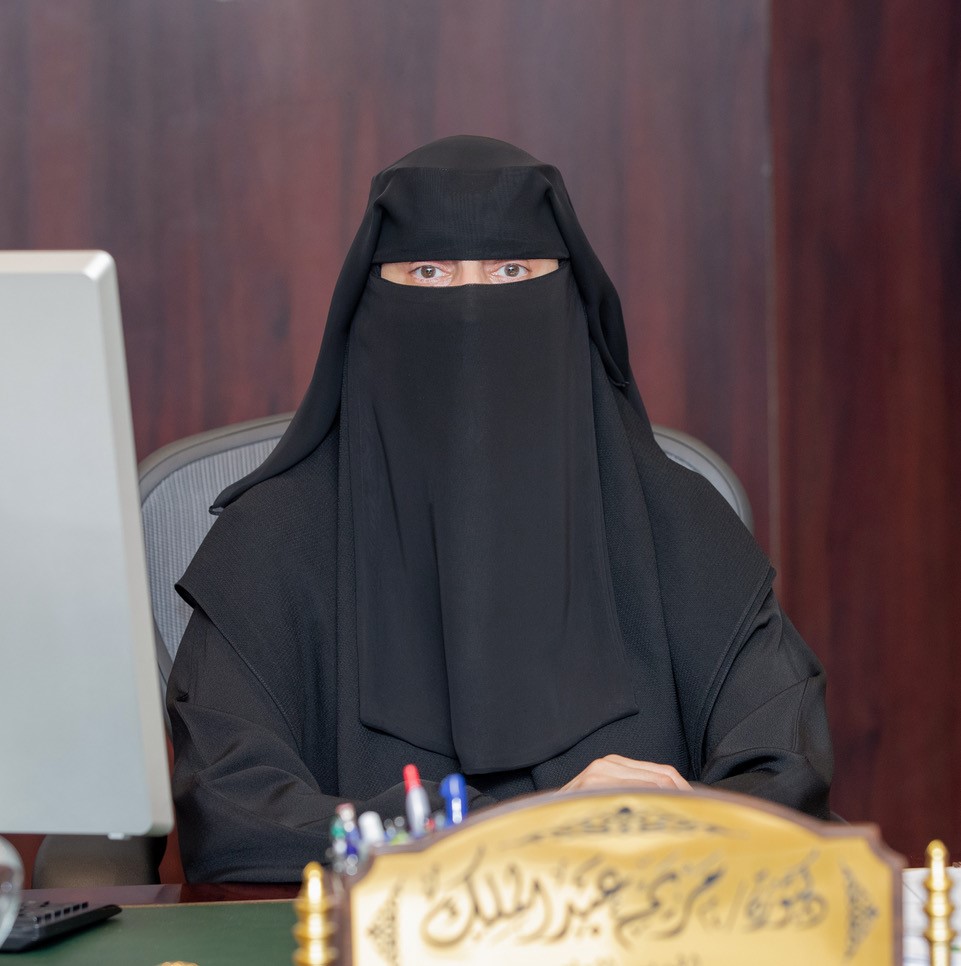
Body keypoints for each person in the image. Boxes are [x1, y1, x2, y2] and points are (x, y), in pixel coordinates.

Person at [167, 136, 832, 882]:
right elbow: (229, 813)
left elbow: (787, 769)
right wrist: (514, 832)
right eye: (429, 271)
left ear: (568, 296)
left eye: (512, 270)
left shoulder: (678, 522)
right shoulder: (273, 541)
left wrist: (667, 825)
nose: (472, 305)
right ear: (369, 303)